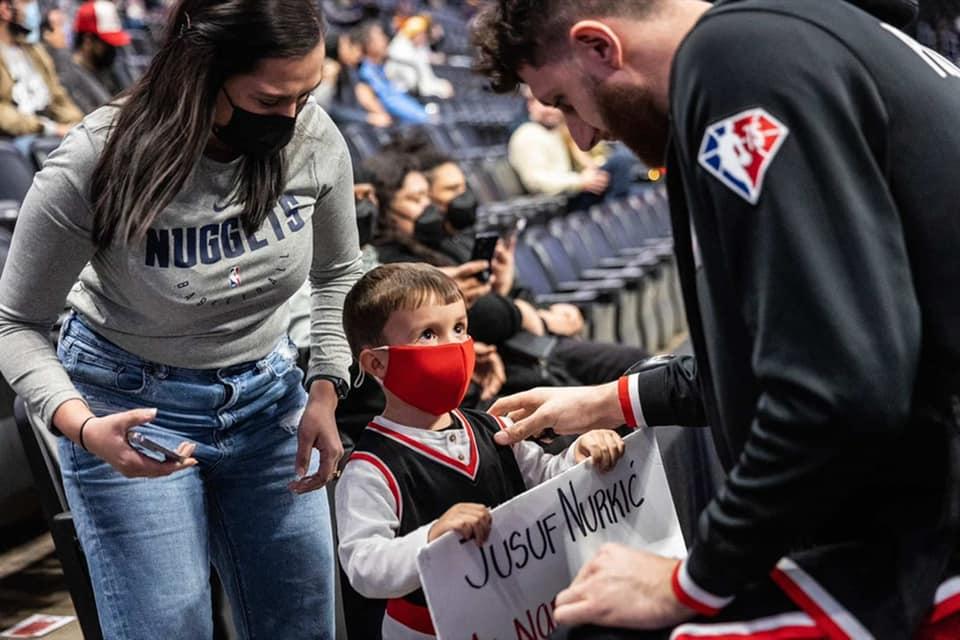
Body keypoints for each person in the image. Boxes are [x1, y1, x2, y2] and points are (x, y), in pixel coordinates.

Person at [471, 0, 960, 636]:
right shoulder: (784, 35)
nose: (583, 138)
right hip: (924, 507)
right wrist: (611, 399)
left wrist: (692, 579)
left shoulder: (734, 61)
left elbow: (837, 387)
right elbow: (804, 344)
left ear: (599, 47)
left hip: (932, 536)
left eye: (563, 102)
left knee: (603, 626)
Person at [0, 1, 363, 637]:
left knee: (303, 623)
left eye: (306, 94)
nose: (294, 117)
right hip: (129, 410)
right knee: (170, 627)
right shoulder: (98, 158)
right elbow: (15, 324)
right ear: (202, 74)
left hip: (268, 397)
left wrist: (327, 387)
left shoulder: (313, 137)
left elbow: (337, 274)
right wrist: (83, 429)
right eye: (272, 99)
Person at [335, 262, 626, 639]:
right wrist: (429, 539)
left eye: (459, 328)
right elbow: (364, 566)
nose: (453, 345)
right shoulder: (370, 468)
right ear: (377, 362)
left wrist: (581, 456)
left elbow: (547, 482)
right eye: (428, 334)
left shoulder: (494, 427)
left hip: (522, 616)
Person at [0, 0, 82, 146]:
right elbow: (3, 114)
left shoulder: (34, 50)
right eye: (24, 3)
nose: (32, 10)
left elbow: (57, 97)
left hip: (50, 133)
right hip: (17, 140)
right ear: (5, 9)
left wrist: (79, 124)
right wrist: (49, 128)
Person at [57, 0, 131, 114]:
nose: (112, 49)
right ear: (88, 41)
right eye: (107, 43)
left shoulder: (107, 66)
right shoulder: (69, 77)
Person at [356, 20, 430, 125]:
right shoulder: (367, 72)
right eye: (380, 37)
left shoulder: (378, 68)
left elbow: (396, 94)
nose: (385, 40)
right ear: (369, 45)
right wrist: (423, 117)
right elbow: (390, 100)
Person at [385, 14, 454, 99]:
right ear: (414, 34)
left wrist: (441, 84)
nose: (424, 37)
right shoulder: (400, 49)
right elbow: (421, 86)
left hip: (420, 90)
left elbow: (428, 76)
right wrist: (440, 88)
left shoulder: (418, 47)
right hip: (405, 94)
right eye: (422, 34)